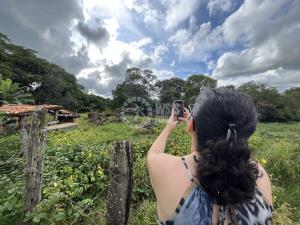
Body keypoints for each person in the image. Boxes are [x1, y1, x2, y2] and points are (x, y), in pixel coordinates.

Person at [146, 87, 273, 225]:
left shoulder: (165, 170)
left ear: (191, 126)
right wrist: (194, 127)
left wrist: (169, 126)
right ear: (248, 131)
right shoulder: (260, 176)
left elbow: (153, 154)